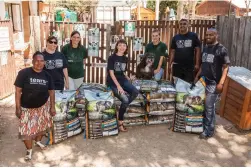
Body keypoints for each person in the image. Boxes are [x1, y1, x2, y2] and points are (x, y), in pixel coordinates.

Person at [14, 51, 56, 161]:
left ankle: (37, 142)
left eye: (41, 61)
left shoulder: (47, 75)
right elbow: (18, 91)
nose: (39, 63)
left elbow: (52, 92)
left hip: (42, 107)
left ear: (44, 62)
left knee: (41, 126)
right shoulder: (24, 73)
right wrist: (18, 108)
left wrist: (52, 107)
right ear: (32, 61)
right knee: (25, 131)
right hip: (26, 108)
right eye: (36, 60)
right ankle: (29, 150)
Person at [194, 28, 230, 139]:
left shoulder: (221, 49)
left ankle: (208, 131)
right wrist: (197, 76)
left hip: (213, 83)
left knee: (209, 106)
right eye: (207, 35)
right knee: (202, 105)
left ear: (216, 35)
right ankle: (205, 126)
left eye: (211, 35)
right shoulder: (205, 48)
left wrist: (221, 83)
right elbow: (203, 65)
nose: (208, 36)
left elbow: (226, 67)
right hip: (203, 80)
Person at [106, 39, 139, 132]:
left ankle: (122, 108)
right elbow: (111, 74)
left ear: (126, 47)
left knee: (135, 92)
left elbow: (122, 70)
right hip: (113, 82)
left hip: (123, 80)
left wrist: (128, 77)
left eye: (124, 45)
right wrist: (119, 87)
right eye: (120, 45)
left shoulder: (125, 58)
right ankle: (120, 122)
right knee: (125, 99)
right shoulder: (111, 58)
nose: (122, 47)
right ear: (117, 46)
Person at [169, 19, 201, 83]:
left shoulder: (193, 36)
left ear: (188, 25)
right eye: (181, 24)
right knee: (176, 84)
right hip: (177, 66)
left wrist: (197, 64)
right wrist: (170, 64)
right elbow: (172, 51)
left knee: (188, 85)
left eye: (184, 24)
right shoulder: (175, 37)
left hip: (189, 66)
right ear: (178, 26)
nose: (182, 25)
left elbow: (198, 50)